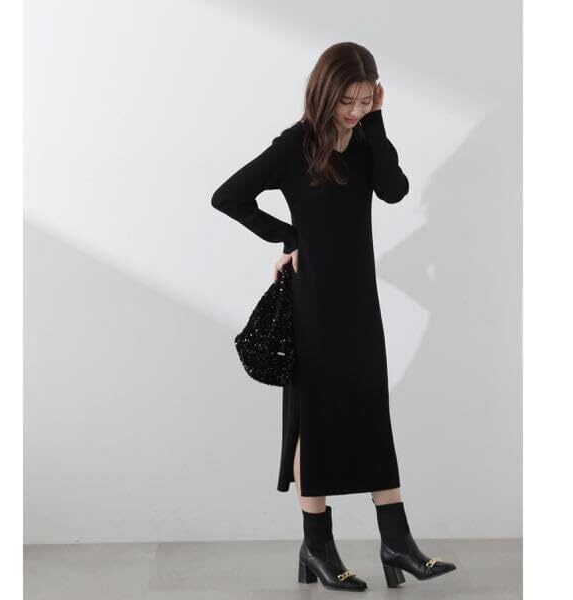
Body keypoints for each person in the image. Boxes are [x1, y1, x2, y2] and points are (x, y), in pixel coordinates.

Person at [211, 42, 457, 592]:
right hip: (314, 300)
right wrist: (289, 237)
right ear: (324, 93)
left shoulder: (367, 140)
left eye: (365, 100)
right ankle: (318, 546)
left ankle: (396, 541)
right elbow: (228, 196)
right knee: (315, 420)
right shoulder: (295, 145)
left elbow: (395, 191)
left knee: (371, 408)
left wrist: (378, 123)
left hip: (359, 299)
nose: (354, 111)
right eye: (347, 101)